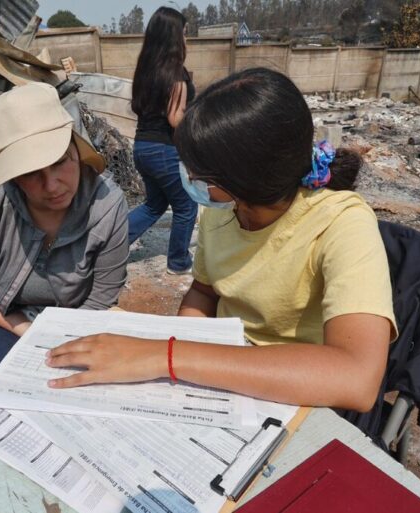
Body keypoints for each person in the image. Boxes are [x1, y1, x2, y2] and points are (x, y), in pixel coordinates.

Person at [45, 68, 398, 414]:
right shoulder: (223, 206)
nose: (191, 176)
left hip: (298, 394)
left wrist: (165, 356)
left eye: (201, 170)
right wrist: (176, 350)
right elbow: (205, 291)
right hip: (217, 374)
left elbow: (356, 377)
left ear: (247, 180)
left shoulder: (343, 224)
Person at [0, 83, 129, 372]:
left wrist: (61, 338)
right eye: (31, 173)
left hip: (81, 315)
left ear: (76, 149)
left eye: (60, 163)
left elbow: (101, 298)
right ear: (13, 177)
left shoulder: (107, 204)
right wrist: (26, 330)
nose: (52, 186)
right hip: (3, 315)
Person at [127, 7, 198, 274]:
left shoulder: (146, 70)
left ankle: (109, 246)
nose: (186, 39)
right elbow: (175, 118)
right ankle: (179, 262)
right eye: (185, 33)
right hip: (164, 151)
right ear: (174, 36)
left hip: (142, 148)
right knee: (186, 205)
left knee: (154, 204)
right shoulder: (176, 73)